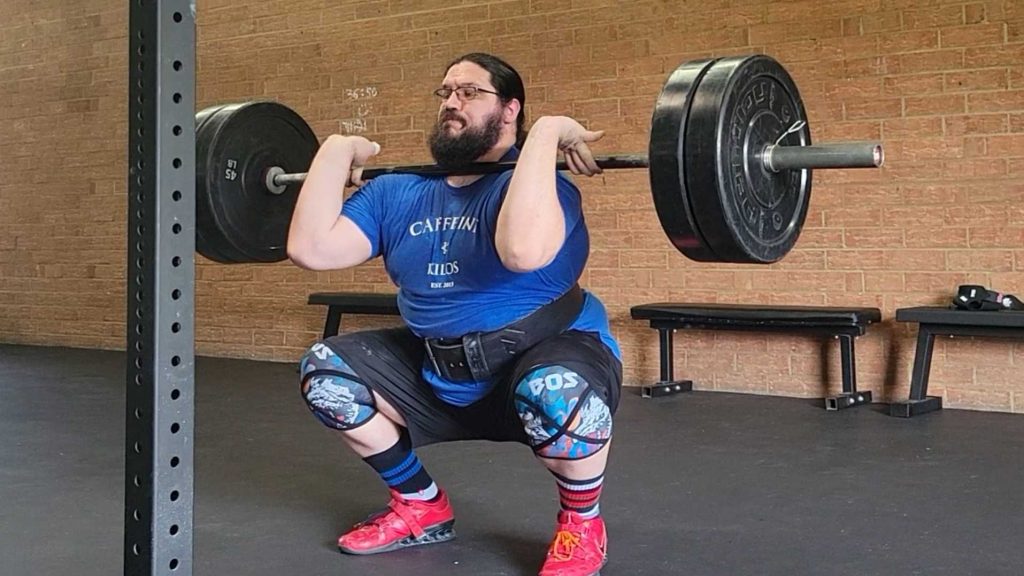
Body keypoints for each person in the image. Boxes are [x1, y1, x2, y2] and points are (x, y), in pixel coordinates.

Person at [286, 52, 622, 576]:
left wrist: (548, 132)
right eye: (445, 92)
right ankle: (421, 505)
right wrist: (336, 149)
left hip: (538, 360)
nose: (451, 102)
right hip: (437, 367)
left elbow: (522, 252)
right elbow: (312, 250)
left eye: (469, 92)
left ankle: (582, 523)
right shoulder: (396, 192)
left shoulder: (542, 188)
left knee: (557, 392)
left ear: (510, 109)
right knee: (325, 373)